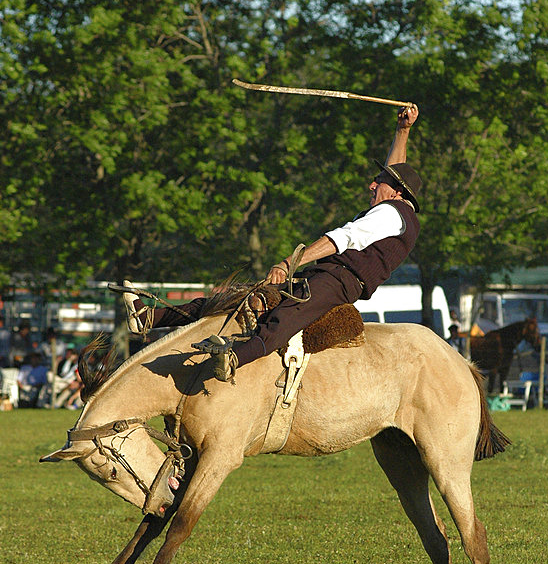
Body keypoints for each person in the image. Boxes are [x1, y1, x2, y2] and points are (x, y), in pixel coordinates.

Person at [122, 104, 421, 382]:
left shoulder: (391, 214)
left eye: (378, 181)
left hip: (340, 282)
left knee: (286, 318)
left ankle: (234, 358)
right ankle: (151, 317)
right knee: (240, 298)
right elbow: (396, 174)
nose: (371, 184)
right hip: (325, 274)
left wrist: (289, 263)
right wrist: (403, 130)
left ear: (395, 192)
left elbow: (345, 237)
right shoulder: (392, 205)